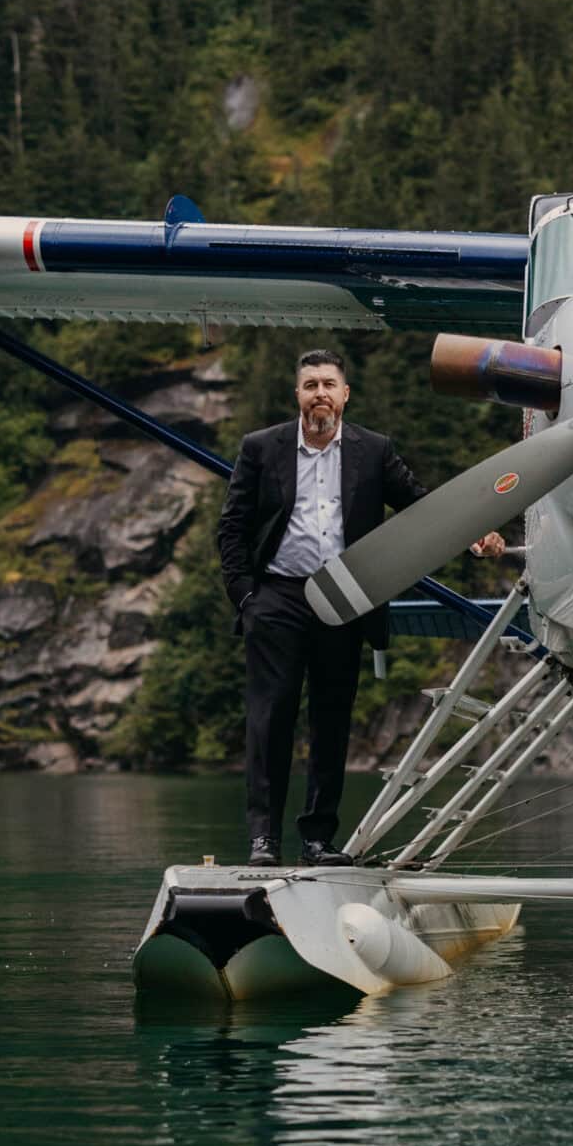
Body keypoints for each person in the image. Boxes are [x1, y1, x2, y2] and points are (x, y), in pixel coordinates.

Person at [218, 349, 506, 865]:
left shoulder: (373, 451)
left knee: (331, 720)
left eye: (328, 384)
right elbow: (232, 528)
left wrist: (472, 533)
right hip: (278, 596)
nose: (319, 394)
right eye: (310, 385)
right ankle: (263, 840)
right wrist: (247, 597)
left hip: (344, 595)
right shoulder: (262, 448)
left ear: (345, 394)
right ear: (298, 395)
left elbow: (421, 506)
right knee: (270, 718)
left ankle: (317, 840)